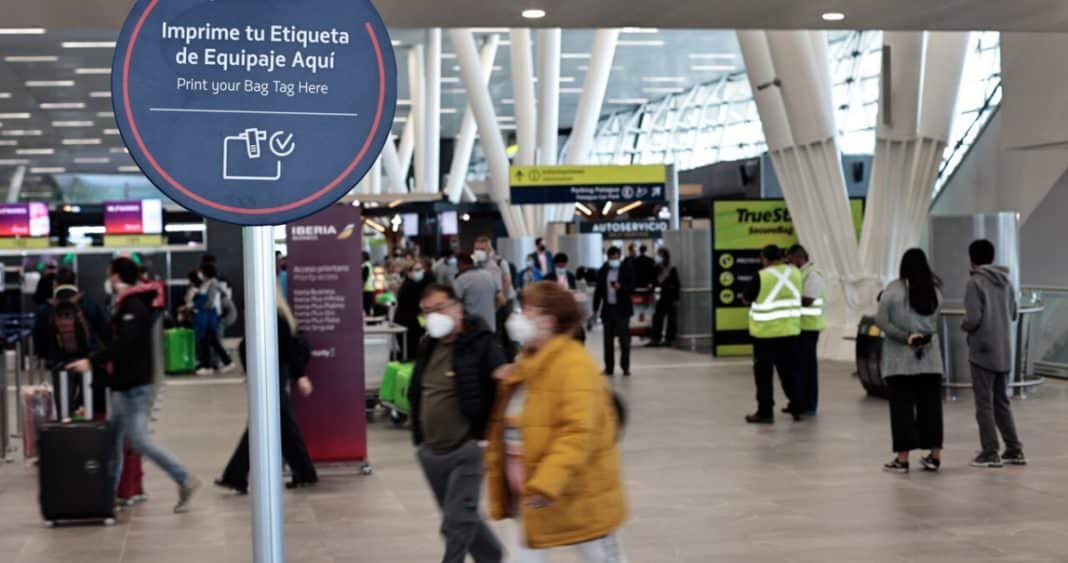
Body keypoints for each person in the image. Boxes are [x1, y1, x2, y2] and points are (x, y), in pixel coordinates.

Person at [486, 282, 627, 562]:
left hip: (580, 496)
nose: (519, 316)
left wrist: (546, 483)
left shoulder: (574, 365)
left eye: (527, 310)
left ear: (548, 321)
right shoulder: (528, 362)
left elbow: (577, 433)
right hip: (534, 498)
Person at [66, 257, 201, 513]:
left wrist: (92, 361)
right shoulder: (128, 303)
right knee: (113, 441)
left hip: (134, 386)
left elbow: (124, 344)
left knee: (139, 441)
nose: (107, 279)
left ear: (116, 277)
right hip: (123, 385)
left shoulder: (133, 306)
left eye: (109, 274)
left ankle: (184, 478)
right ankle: (107, 497)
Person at [408, 284, 505, 563]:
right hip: (432, 451)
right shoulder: (428, 345)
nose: (433, 317)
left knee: (457, 522)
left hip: (468, 448)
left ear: (457, 308)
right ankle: (492, 556)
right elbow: (420, 389)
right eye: (426, 312)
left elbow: (503, 382)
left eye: (439, 309)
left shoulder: (482, 342)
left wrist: (487, 437)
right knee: (459, 516)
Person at [216, 286, 319, 494]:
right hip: (269, 372)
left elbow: (286, 347)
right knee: (282, 426)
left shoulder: (272, 315)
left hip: (271, 373)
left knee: (263, 423)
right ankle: (304, 473)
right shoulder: (271, 313)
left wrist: (300, 376)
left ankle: (236, 476)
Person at [875, 249, 945, 474]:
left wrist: (906, 337)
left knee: (902, 410)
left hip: (900, 362)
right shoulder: (935, 291)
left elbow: (881, 321)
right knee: (932, 409)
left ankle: (902, 459)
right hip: (930, 360)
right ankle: (934, 457)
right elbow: (934, 324)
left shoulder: (892, 291)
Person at [962, 239, 1025, 468]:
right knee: (1001, 402)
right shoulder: (1007, 283)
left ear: (972, 259)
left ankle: (990, 451)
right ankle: (1014, 448)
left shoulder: (975, 282)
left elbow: (972, 318)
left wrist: (964, 326)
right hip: (1003, 349)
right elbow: (1014, 313)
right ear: (992, 257)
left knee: (984, 404)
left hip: (982, 351)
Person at [32, 268, 109, 416]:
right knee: (89, 402)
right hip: (88, 361)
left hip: (59, 362)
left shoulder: (46, 309)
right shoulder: (89, 303)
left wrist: (46, 357)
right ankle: (88, 427)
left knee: (64, 404)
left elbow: (39, 337)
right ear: (75, 283)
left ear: (55, 284)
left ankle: (65, 426)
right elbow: (105, 328)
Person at [743, 245, 806, 424]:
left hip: (765, 335)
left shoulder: (762, 276)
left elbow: (746, 298)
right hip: (790, 331)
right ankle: (797, 407)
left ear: (765, 259)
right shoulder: (795, 274)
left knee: (764, 375)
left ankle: (765, 412)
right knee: (790, 372)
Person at [787, 244, 824, 416]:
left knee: (807, 368)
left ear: (799, 257)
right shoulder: (800, 273)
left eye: (791, 259)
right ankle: (798, 402)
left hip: (809, 327)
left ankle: (809, 404)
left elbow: (808, 300)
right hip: (799, 327)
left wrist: (787, 298)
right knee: (798, 367)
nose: (789, 262)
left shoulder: (813, 274)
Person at [593, 247, 635, 377]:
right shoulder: (603, 270)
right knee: (608, 341)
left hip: (622, 310)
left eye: (616, 257)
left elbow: (632, 286)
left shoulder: (626, 269)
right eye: (611, 258)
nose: (614, 260)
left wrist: (621, 287)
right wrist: (595, 308)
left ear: (620, 257)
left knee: (624, 340)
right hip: (608, 310)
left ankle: (625, 367)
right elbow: (598, 291)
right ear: (607, 257)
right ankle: (609, 368)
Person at [193, 263, 236, 375]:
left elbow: (210, 301)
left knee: (208, 341)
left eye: (201, 272)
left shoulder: (213, 283)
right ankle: (221, 363)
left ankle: (213, 365)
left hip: (209, 316)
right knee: (210, 341)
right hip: (206, 315)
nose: (200, 274)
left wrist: (198, 307)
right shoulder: (206, 283)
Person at [395, 258, 435, 362]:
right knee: (412, 355)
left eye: (421, 269)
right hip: (408, 326)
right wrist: (423, 324)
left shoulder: (415, 285)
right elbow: (417, 310)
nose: (420, 272)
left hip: (413, 324)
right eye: (416, 270)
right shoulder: (409, 287)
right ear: (408, 272)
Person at [453, 253, 501, 333]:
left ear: (460, 264)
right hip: (491, 327)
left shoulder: (461, 280)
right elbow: (498, 299)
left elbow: (454, 303)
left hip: (473, 330)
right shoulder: (488, 275)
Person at [649, 248, 680, 348]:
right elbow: (654, 280)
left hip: (670, 295)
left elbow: (677, 284)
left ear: (664, 256)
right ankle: (656, 339)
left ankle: (669, 339)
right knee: (657, 317)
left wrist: (676, 298)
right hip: (661, 295)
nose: (658, 257)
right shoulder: (656, 267)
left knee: (671, 319)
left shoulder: (671, 268)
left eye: (659, 255)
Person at [362, 251, 375, 315]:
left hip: (366, 289)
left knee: (366, 308)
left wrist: (361, 288)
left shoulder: (365, 266)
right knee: (369, 308)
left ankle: (370, 320)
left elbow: (364, 278)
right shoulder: (369, 265)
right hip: (371, 289)